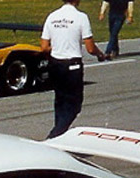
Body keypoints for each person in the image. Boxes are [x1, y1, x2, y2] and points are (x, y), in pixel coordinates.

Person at [40, 0, 107, 139]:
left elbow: (44, 47)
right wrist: (100, 54)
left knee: (60, 101)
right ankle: (54, 136)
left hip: (55, 64)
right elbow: (90, 48)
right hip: (72, 65)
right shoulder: (81, 17)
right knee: (74, 105)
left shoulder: (52, 16)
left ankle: (59, 136)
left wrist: (58, 47)